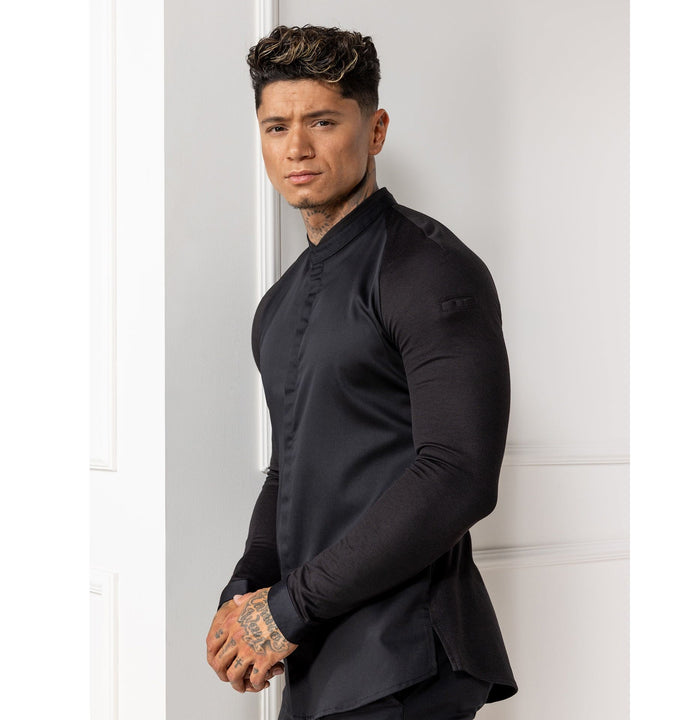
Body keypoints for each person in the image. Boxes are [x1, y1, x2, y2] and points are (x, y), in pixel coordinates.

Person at [206, 25, 518, 720]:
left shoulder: (429, 269)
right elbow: (290, 469)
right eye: (276, 126)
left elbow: (458, 474)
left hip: (405, 663)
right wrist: (246, 592)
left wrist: (287, 607)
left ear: (374, 131)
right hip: (315, 656)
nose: (297, 147)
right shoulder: (276, 306)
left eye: (322, 121)